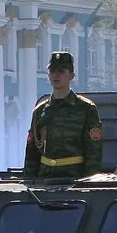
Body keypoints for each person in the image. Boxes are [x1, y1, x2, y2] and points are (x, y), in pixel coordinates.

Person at [22, 51, 103, 179]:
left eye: (61, 71)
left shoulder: (86, 109)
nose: (56, 75)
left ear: (71, 75)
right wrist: (29, 182)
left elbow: (93, 152)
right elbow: (31, 153)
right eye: (52, 71)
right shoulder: (40, 110)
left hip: (74, 179)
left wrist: (87, 184)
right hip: (45, 180)